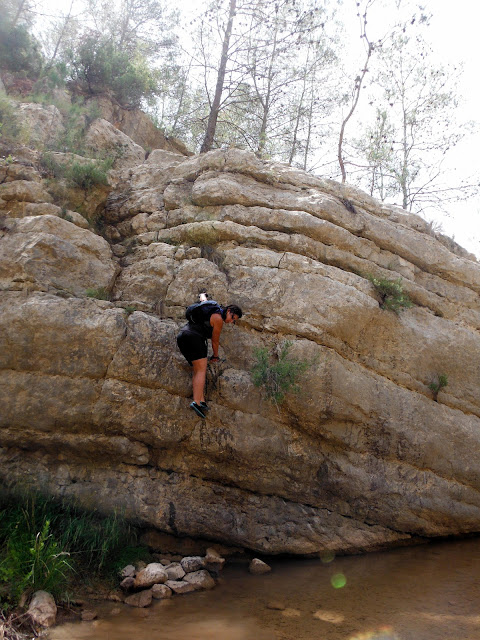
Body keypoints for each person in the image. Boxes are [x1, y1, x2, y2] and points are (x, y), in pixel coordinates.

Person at [177, 295, 243, 418]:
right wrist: (216, 356)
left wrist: (202, 295)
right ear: (229, 311)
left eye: (234, 321)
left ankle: (201, 401)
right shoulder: (218, 319)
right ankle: (196, 402)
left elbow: (203, 300)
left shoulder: (210, 307)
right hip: (195, 338)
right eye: (233, 317)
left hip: (182, 335)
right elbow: (215, 341)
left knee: (197, 369)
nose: (231, 321)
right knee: (201, 370)